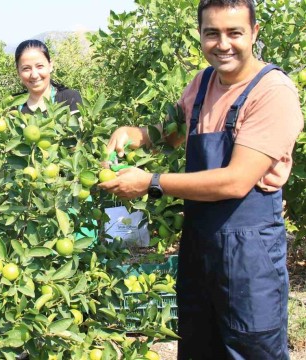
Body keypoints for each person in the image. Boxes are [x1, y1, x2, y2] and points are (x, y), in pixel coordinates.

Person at [98, 1, 303, 359]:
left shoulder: (272, 92)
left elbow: (236, 181)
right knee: (197, 345)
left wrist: (152, 182)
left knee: (250, 348)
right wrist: (133, 134)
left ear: (254, 33)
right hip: (198, 247)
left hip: (249, 256)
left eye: (234, 32)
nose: (222, 43)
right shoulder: (202, 84)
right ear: (201, 35)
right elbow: (169, 135)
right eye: (212, 33)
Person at [14, 39, 82, 115]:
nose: (34, 75)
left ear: (50, 66)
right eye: (26, 68)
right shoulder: (12, 104)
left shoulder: (69, 98)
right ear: (18, 72)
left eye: (39, 66)